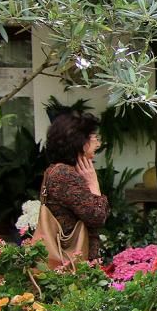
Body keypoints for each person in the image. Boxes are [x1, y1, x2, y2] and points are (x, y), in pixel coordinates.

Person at [41, 111, 109, 261]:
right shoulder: (65, 175)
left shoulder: (58, 170)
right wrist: (93, 183)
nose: (98, 144)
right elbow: (97, 217)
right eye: (94, 138)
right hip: (73, 261)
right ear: (79, 142)